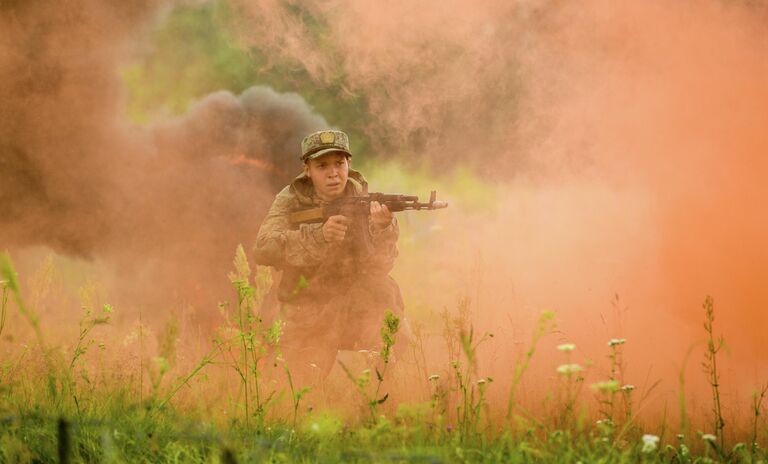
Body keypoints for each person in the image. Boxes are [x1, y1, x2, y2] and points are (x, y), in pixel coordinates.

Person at [253, 129, 407, 388]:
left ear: (349, 164)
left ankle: (377, 400)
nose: (333, 173)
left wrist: (383, 229)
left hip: (356, 302)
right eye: (322, 165)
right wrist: (319, 235)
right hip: (307, 303)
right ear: (307, 169)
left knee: (390, 312)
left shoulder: (366, 202)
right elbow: (264, 248)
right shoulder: (291, 199)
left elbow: (381, 266)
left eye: (339, 163)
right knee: (291, 391)